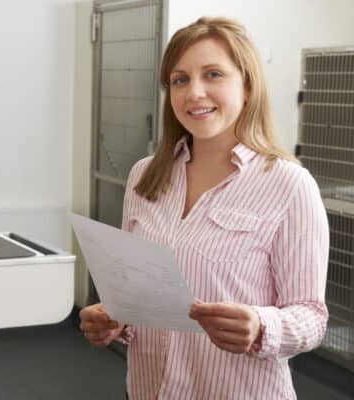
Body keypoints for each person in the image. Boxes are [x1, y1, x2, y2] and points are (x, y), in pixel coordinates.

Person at [79, 17, 329, 399]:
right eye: (180, 80)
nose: (194, 92)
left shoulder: (290, 186)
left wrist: (261, 326)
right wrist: (115, 318)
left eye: (213, 74)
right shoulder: (145, 177)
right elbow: (138, 295)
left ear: (247, 85)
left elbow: (312, 316)